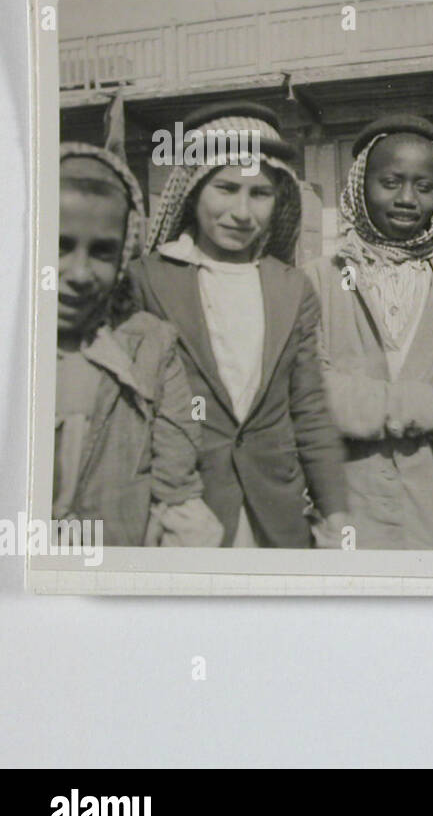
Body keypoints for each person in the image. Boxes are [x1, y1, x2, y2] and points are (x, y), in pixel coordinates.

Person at [131, 103, 353, 549]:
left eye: (260, 193)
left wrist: (337, 513)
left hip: (278, 512)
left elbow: (309, 408)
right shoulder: (148, 279)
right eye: (226, 188)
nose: (241, 212)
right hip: (185, 516)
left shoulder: (292, 288)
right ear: (193, 191)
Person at [303, 114, 433, 550]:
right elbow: (312, 398)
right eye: (391, 182)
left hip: (428, 532)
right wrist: (424, 405)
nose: (407, 198)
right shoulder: (319, 282)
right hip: (341, 530)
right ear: (360, 185)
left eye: (424, 186)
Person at [55, 143, 211, 547]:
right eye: (59, 245)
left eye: (103, 251)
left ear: (124, 253)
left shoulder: (151, 346)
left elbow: (175, 483)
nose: (80, 272)